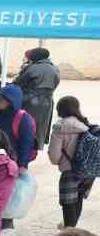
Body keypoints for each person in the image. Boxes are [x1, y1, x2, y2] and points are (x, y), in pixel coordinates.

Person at [50, 96, 94, 228]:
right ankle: (72, 228)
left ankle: (70, 234)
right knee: (78, 199)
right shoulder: (86, 125)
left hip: (70, 170)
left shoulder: (60, 127)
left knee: (68, 203)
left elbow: (54, 156)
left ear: (60, 109)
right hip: (88, 171)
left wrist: (59, 161)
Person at [14, 46, 61, 146]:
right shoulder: (55, 68)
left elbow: (19, 83)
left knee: (27, 126)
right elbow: (56, 82)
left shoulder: (32, 68)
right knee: (41, 127)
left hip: (30, 100)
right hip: (48, 101)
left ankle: (26, 147)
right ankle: (37, 144)